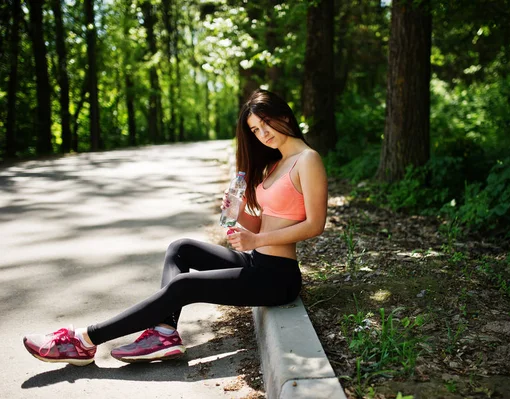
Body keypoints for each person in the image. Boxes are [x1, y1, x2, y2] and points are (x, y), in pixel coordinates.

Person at [23, 89, 328, 366]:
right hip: (255, 260)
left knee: (184, 287)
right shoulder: (274, 163)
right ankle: (164, 332)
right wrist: (236, 216)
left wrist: (258, 237)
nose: (263, 134)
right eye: (255, 130)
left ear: (284, 116)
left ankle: (84, 340)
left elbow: (315, 225)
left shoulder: (307, 160)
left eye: (266, 124)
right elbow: (265, 219)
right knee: (181, 248)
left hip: (276, 277)